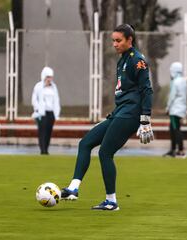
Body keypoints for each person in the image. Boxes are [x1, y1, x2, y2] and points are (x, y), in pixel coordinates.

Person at [60, 24, 154, 211]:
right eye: (113, 40)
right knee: (85, 143)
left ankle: (111, 201)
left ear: (130, 40)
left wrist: (145, 119)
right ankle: (73, 188)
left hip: (130, 114)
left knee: (105, 153)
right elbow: (127, 92)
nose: (115, 44)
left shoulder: (138, 61)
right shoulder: (123, 60)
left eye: (118, 40)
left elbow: (147, 90)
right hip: (120, 112)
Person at [31, 66, 61, 155]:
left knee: (48, 131)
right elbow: (34, 99)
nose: (49, 79)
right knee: (42, 131)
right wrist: (38, 108)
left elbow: (56, 100)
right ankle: (42, 150)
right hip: (41, 113)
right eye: (48, 77)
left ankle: (46, 149)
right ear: (44, 76)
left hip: (51, 113)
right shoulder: (38, 86)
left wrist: (56, 113)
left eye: (51, 77)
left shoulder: (54, 87)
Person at [163, 62, 187, 158]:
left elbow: (172, 96)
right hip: (181, 109)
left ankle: (180, 150)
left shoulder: (175, 82)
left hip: (174, 109)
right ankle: (173, 150)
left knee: (176, 129)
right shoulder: (183, 81)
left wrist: (168, 107)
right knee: (173, 129)